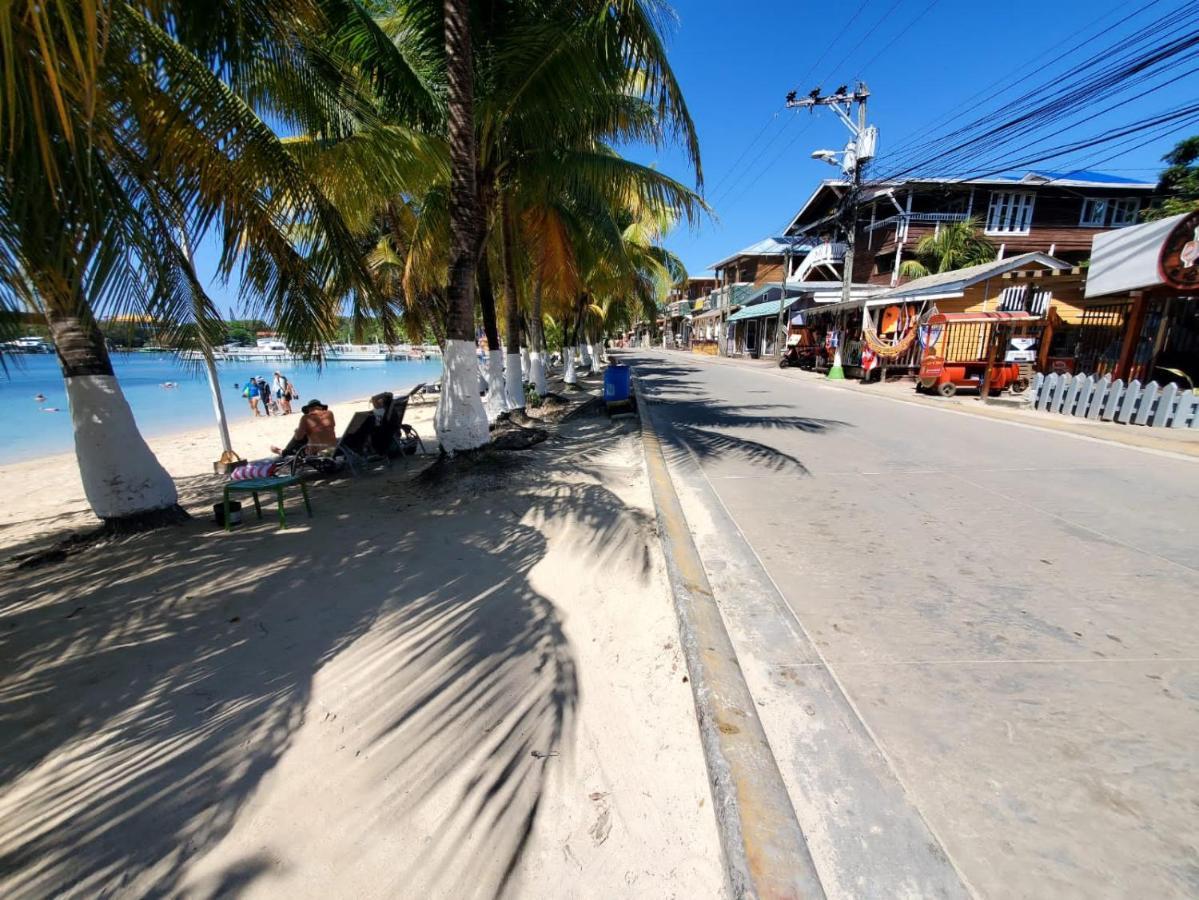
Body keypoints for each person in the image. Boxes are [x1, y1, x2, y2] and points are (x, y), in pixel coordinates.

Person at [271, 399, 336, 458]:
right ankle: (285, 451)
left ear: (309, 409)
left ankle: (284, 452)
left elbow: (298, 438)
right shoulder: (330, 414)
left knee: (298, 435)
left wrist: (297, 431)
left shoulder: (306, 418)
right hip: (333, 448)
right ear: (321, 407)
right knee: (311, 433)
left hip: (317, 452)